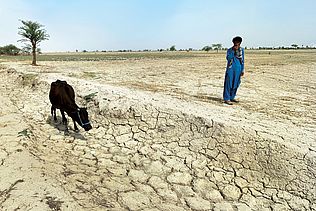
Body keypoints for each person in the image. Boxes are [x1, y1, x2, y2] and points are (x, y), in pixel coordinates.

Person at [223, 36, 244, 105]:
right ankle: (227, 98)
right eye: (235, 42)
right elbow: (228, 58)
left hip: (238, 69)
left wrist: (242, 70)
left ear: (240, 43)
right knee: (228, 83)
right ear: (233, 42)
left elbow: (242, 61)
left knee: (236, 83)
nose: (237, 43)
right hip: (230, 69)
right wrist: (233, 51)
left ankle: (232, 97)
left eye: (238, 42)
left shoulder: (242, 50)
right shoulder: (229, 50)